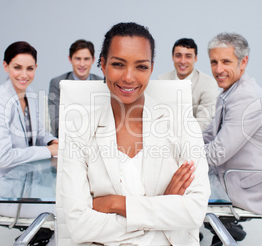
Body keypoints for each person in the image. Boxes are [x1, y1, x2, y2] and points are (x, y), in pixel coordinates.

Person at [59, 22, 210, 245]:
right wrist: (164, 207)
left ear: (151, 68)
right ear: (102, 64)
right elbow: (79, 225)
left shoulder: (182, 123)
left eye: (140, 67)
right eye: (118, 64)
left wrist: (115, 204)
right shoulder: (79, 130)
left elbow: (194, 211)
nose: (129, 77)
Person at [203, 32, 262, 244]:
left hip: (250, 185)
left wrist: (179, 158)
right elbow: (210, 134)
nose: (218, 69)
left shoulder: (245, 97)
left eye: (225, 61)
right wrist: (183, 142)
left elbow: (217, 154)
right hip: (240, 174)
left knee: (174, 186)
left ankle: (193, 233)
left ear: (243, 61)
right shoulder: (231, 91)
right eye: (214, 62)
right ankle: (223, 227)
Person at [0, 41, 58, 219]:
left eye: (29, 68)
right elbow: (4, 159)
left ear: (36, 67)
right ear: (6, 66)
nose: (24, 74)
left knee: (73, 194)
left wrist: (51, 141)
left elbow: (39, 131)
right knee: (67, 208)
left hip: (25, 180)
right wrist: (48, 151)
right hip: (1, 190)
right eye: (17, 67)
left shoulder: (29, 93)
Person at [158, 38, 219, 130]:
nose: (182, 61)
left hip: (194, 139)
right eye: (178, 55)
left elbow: (204, 122)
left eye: (188, 56)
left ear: (196, 58)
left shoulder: (208, 84)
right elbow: (157, 116)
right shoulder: (161, 80)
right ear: (172, 57)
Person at [48, 39, 103, 137]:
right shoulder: (57, 83)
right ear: (70, 59)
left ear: (93, 60)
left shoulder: (101, 83)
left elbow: (104, 118)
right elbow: (55, 121)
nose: (82, 64)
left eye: (86, 59)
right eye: (77, 59)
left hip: (95, 138)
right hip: (66, 137)